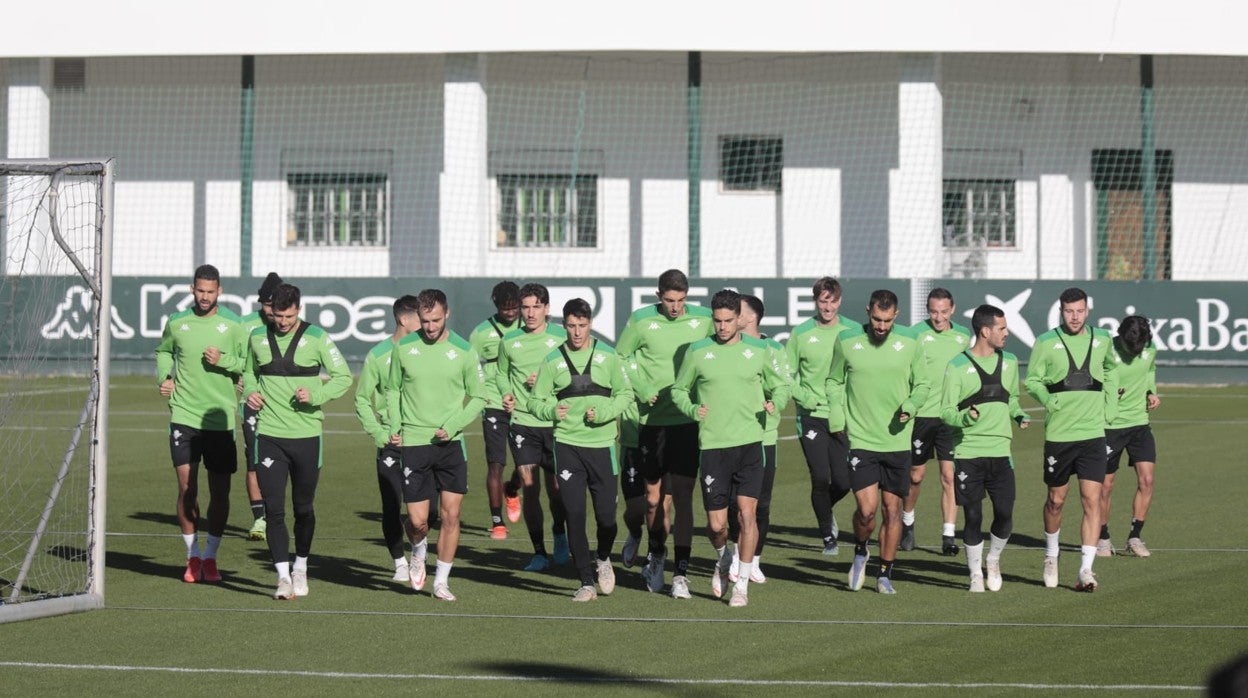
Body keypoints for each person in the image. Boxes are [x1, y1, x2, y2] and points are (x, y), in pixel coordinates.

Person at [672, 289, 790, 607]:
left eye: (728, 320)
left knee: (747, 515)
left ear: (740, 319)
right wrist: (692, 409)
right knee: (716, 526)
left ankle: (742, 586)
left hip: (750, 444)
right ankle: (723, 559)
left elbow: (781, 385)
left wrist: (774, 402)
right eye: (717, 321)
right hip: (713, 446)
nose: (722, 327)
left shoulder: (759, 350)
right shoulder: (697, 352)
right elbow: (679, 390)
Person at [244, 283, 352, 600]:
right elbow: (249, 372)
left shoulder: (317, 338)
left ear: (298, 310)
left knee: (303, 509)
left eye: (289, 316)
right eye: (278, 316)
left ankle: (300, 566)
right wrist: (251, 390)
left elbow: (344, 376)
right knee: (273, 510)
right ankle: (282, 578)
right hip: (269, 435)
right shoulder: (257, 338)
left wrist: (316, 394)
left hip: (306, 436)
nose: (283, 322)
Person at [616, 269, 713, 597]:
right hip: (651, 423)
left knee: (683, 499)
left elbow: (720, 345)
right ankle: (656, 554)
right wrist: (642, 387)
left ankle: (682, 573)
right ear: (659, 296)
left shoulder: (703, 318)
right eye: (670, 301)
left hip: (687, 422)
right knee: (654, 501)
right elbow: (621, 357)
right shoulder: (641, 320)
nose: (676, 307)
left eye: (681, 300)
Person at [384, 289, 486, 601]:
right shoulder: (404, 348)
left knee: (451, 515)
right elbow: (392, 390)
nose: (429, 327)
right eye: (425, 321)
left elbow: (480, 396)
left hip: (451, 445)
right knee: (418, 521)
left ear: (447, 314)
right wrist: (394, 425)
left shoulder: (464, 350)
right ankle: (418, 549)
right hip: (414, 443)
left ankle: (441, 581)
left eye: (436, 320)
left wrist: (453, 426)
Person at [826, 289, 929, 594]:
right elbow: (833, 380)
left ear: (895, 316)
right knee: (867, 511)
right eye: (876, 319)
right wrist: (835, 412)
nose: (881, 326)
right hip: (861, 440)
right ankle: (860, 548)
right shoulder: (846, 341)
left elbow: (922, 384)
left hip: (897, 442)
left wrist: (911, 405)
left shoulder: (910, 342)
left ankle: (884, 574)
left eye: (887, 320)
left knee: (892, 510)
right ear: (867, 311)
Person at [530, 298, 633, 601]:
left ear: (590, 324)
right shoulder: (552, 360)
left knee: (607, 519)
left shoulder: (608, 356)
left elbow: (625, 394)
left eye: (582, 326)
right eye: (572, 326)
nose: (577, 332)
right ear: (564, 325)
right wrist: (551, 410)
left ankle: (602, 558)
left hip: (602, 447)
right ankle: (586, 582)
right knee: (574, 513)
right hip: (567, 446)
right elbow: (536, 401)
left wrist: (605, 413)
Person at [155, 264, 248, 583]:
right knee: (187, 488)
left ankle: (211, 556)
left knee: (220, 493)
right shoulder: (177, 322)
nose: (205, 296)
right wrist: (164, 378)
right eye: (200, 290)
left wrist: (225, 362)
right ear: (192, 289)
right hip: (183, 415)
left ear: (219, 291)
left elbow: (248, 366)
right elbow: (164, 353)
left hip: (221, 419)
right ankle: (192, 556)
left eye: (211, 291)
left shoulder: (234, 325)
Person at [1024, 287, 1118, 592]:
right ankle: (1051, 555)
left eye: (1079, 311)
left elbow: (1112, 369)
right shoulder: (1046, 342)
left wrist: (1110, 407)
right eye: (1069, 311)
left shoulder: (1102, 338)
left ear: (1087, 310)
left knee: (1093, 499)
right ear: (1061, 311)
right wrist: (1047, 401)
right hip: (1060, 435)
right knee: (1055, 500)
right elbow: (1033, 380)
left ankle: (1086, 570)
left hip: (1092, 434)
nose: (1074, 317)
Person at [940, 304, 1030, 592]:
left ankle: (992, 559)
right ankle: (974, 573)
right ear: (985, 331)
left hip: (1001, 453)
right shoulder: (956, 366)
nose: (1007, 333)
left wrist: (1018, 414)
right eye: (1002, 328)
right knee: (974, 515)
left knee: (1005, 513)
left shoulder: (1011, 361)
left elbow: (1011, 398)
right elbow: (946, 412)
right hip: (968, 453)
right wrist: (965, 417)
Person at [496, 283, 570, 571]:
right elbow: (501, 374)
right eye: (525, 307)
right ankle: (539, 552)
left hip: (556, 423)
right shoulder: (510, 341)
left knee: (557, 490)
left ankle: (560, 534)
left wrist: (547, 378)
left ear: (547, 309)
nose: (529, 313)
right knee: (530, 487)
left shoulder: (562, 337)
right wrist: (506, 393)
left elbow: (575, 373)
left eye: (536, 307)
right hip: (523, 424)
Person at [785, 276, 857, 555]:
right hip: (811, 415)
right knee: (819, 477)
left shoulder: (853, 331)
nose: (828, 307)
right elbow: (786, 375)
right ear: (816, 301)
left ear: (840, 301)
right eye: (822, 301)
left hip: (843, 415)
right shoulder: (801, 333)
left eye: (833, 301)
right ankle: (828, 536)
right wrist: (805, 397)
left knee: (843, 481)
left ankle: (825, 508)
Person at [354, 295, 421, 582]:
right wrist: (381, 435)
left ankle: (419, 549)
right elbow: (361, 398)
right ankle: (399, 564)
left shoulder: (426, 350)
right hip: (391, 445)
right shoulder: (379, 355)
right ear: (404, 320)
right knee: (391, 506)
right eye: (421, 317)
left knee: (425, 512)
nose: (427, 323)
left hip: (423, 441)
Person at [903, 287, 972, 556]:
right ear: (927, 310)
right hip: (922, 416)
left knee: (949, 476)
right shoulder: (914, 334)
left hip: (950, 417)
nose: (939, 317)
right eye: (933, 312)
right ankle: (907, 523)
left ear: (952, 309)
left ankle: (948, 535)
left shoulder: (963, 335)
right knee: (916, 476)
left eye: (944, 312)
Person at [727, 293, 789, 584]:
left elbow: (783, 386)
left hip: (764, 438)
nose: (730, 318)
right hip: (732, 436)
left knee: (760, 504)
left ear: (749, 318)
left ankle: (754, 562)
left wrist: (772, 404)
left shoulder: (773, 349)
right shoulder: (727, 347)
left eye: (736, 313)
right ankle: (737, 554)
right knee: (731, 504)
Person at [1098, 315, 1160, 558]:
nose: (1135, 351)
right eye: (1129, 346)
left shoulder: (1150, 348)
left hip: (1139, 424)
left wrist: (1151, 392)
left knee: (1147, 481)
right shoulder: (1106, 351)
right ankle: (1102, 537)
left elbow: (1150, 371)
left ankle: (1135, 536)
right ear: (1120, 336)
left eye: (1139, 347)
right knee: (1105, 485)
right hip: (1109, 426)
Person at [469, 281, 522, 539]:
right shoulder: (481, 332)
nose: (511, 313)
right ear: (497, 306)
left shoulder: (530, 326)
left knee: (525, 465)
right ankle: (497, 520)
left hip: (525, 405)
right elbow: (468, 365)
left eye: (515, 307)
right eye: (505, 308)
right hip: (493, 403)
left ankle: (512, 490)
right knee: (495, 464)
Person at [237, 271, 284, 542]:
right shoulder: (244, 327)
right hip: (252, 404)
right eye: (266, 305)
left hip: (283, 407)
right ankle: (259, 519)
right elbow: (233, 358)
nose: (270, 310)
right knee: (254, 461)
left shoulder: (290, 326)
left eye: (274, 304)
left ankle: (275, 514)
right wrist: (239, 374)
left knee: (280, 465)